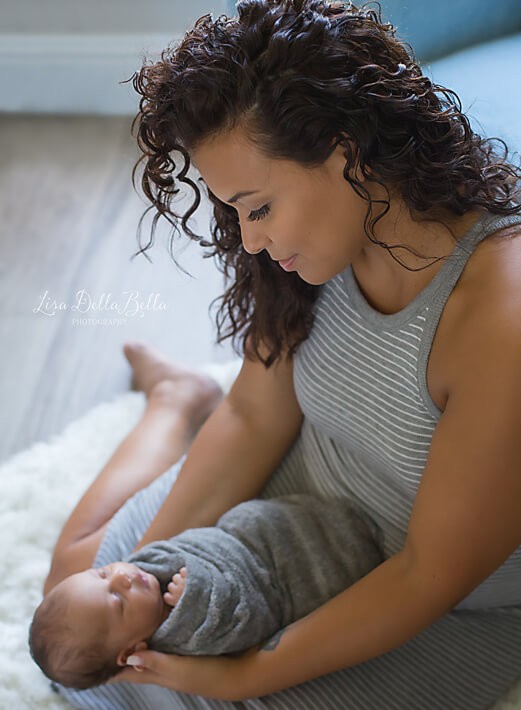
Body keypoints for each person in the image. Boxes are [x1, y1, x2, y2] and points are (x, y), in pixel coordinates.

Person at [42, 0, 521, 707]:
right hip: (287, 510)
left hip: (426, 591)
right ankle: (177, 401)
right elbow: (254, 414)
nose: (251, 238)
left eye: (257, 207)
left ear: (347, 150)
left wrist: (246, 672)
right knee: (77, 605)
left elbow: (427, 572)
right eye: (234, 210)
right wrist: (151, 572)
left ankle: (173, 401)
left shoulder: (499, 315)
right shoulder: (306, 253)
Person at [30, 490, 382, 690]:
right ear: (131, 652)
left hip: (259, 530)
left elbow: (174, 548)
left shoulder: (142, 578)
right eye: (118, 602)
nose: (123, 577)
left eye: (103, 573)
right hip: (295, 565)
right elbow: (252, 616)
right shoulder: (188, 636)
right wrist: (196, 594)